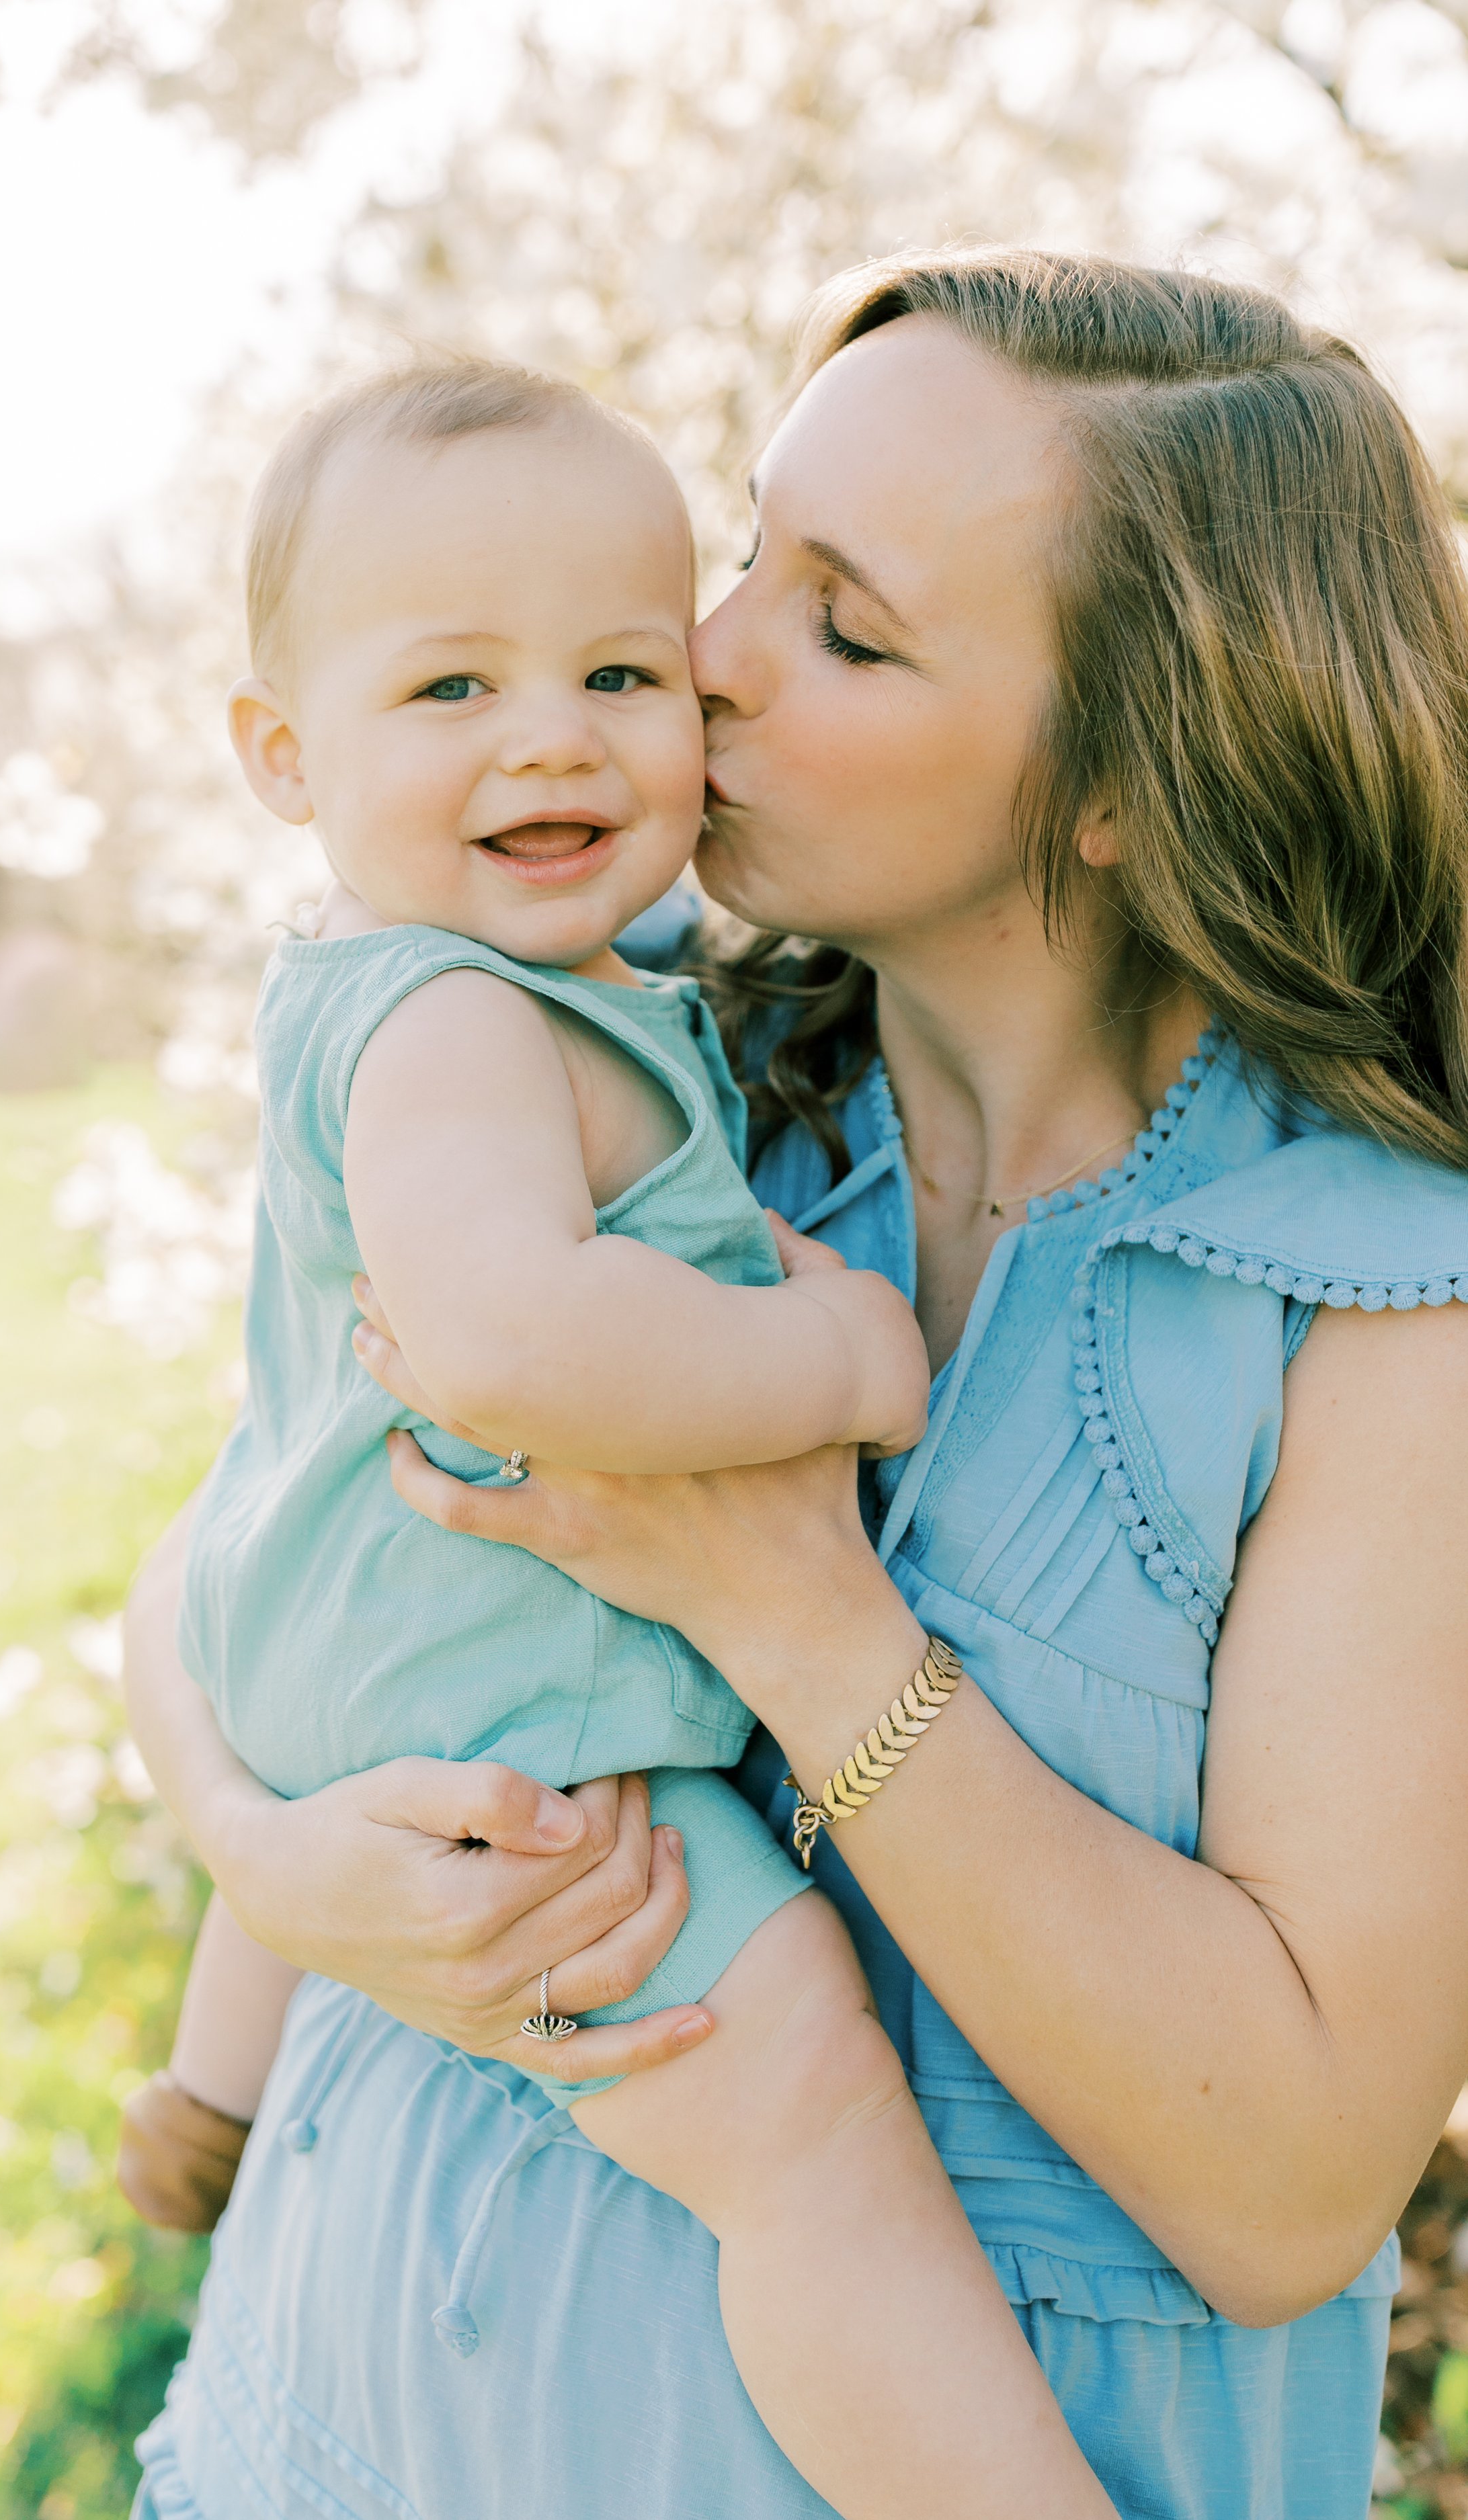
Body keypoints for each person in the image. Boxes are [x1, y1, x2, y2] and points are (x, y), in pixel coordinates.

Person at [126, 251, 1468, 2520]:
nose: (709, 652)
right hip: (333, 2416)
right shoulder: (644, 1063)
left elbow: (1287, 2193)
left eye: (843, 625)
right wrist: (268, 1855)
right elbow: (235, 1546)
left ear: (1131, 782)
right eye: (750, 549)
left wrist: (796, 1613)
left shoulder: (1372, 1320)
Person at [118, 351, 1113, 2520]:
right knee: (811, 2133)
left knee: (324, 1793)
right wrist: (843, 1368)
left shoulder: (488, 989)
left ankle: (206, 2098)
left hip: (347, 1638)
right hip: (523, 1744)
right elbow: (513, 1346)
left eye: (615, 670)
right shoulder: (461, 1021)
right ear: (285, 760)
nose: (550, 735)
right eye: (451, 689)